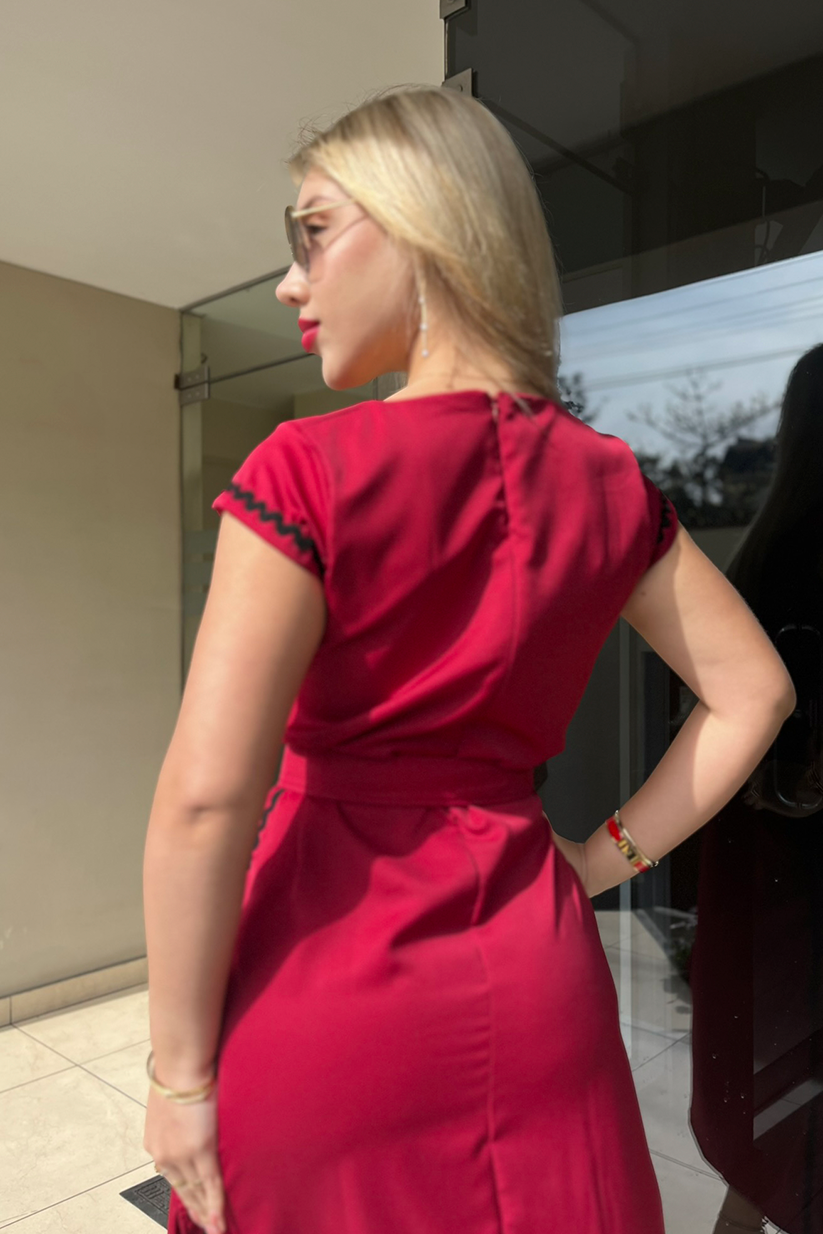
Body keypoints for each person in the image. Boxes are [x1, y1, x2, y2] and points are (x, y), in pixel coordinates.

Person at [141, 84, 796, 1234]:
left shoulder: (306, 469)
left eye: (312, 231)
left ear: (422, 225)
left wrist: (178, 1074)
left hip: (328, 980)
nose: (290, 282)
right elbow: (755, 692)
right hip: (538, 978)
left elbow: (206, 800)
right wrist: (596, 860)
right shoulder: (608, 484)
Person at [689, 343, 823, 1234]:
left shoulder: (757, 563)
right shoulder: (799, 563)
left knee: (777, 1118)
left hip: (763, 869)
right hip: (797, 872)